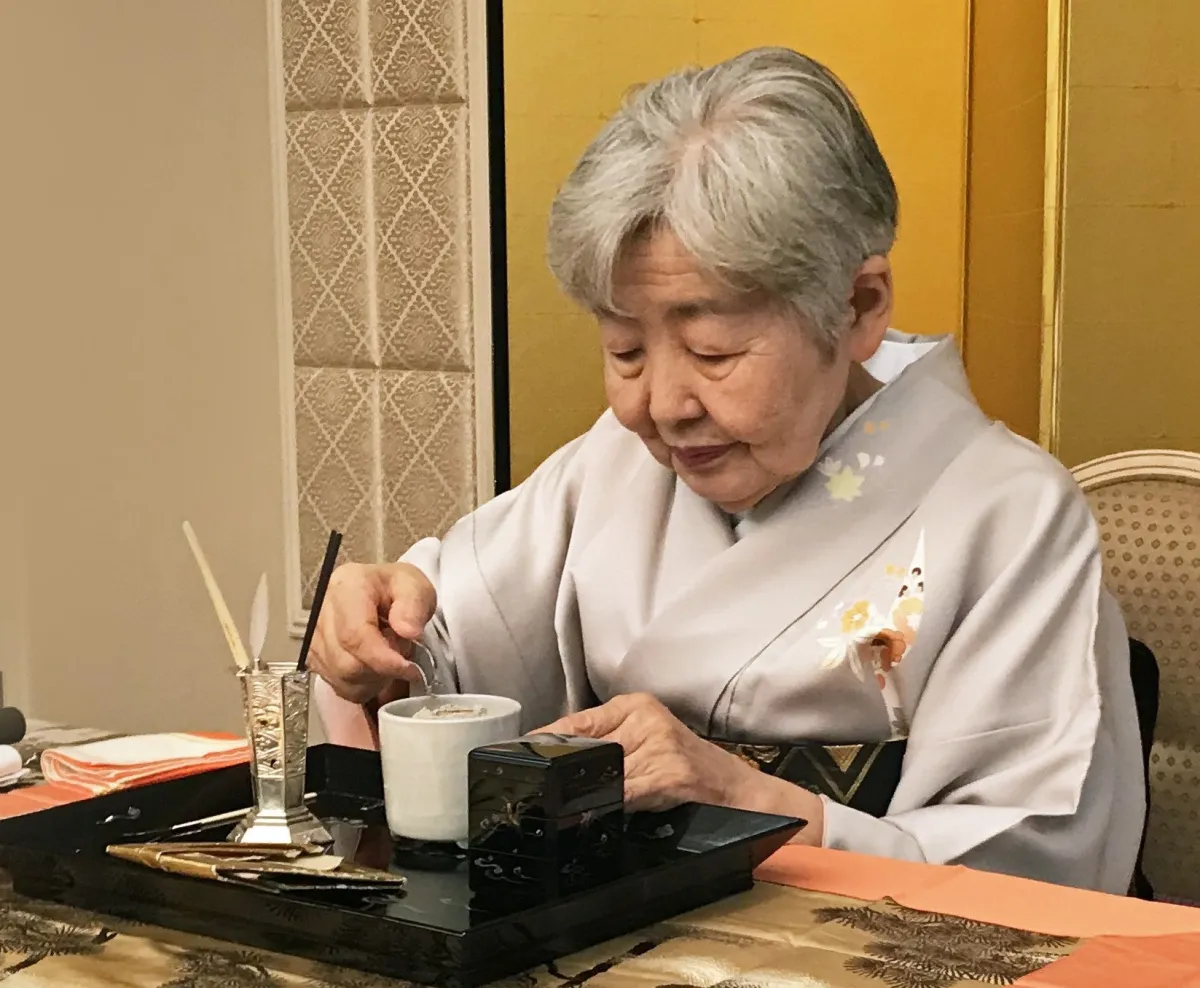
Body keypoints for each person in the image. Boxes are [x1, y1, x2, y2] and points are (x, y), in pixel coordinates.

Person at [310, 47, 1144, 895]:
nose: (664, 405)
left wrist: (757, 808)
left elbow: (1032, 859)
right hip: (608, 932)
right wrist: (381, 639)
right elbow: (452, 655)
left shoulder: (1008, 514)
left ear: (858, 306)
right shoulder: (614, 465)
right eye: (625, 350)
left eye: (713, 351)